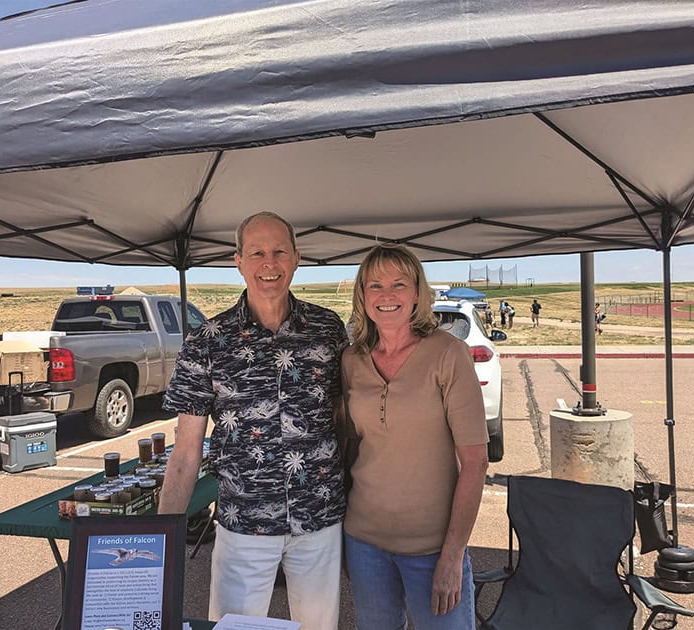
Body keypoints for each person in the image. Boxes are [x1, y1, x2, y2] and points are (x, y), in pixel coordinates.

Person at [158, 212, 348, 629]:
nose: (270, 263)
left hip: (318, 519)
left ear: (297, 259)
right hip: (244, 523)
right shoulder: (208, 341)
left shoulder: (328, 329)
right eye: (258, 252)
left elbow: (346, 417)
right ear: (238, 260)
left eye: (279, 251)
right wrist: (163, 539)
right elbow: (187, 452)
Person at [340, 244, 489, 630]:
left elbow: (475, 462)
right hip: (364, 542)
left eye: (398, 284)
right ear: (362, 296)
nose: (386, 296)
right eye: (375, 286)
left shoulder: (448, 354)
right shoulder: (351, 360)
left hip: (433, 549)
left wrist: (453, 556)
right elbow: (347, 449)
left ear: (418, 293)